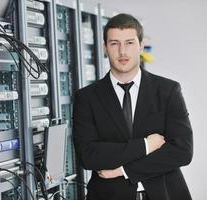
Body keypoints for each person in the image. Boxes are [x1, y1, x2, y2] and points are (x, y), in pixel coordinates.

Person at [73, 13, 193, 200]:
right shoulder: (87, 97)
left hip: (165, 194)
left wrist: (123, 170)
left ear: (141, 46)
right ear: (105, 48)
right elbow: (88, 155)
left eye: (129, 43)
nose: (122, 51)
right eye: (114, 43)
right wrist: (147, 145)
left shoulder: (168, 90)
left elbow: (182, 151)